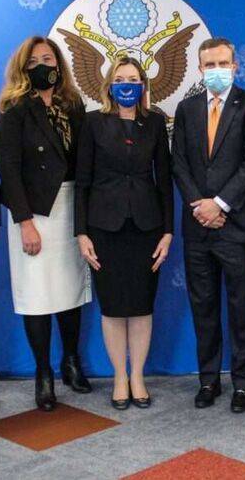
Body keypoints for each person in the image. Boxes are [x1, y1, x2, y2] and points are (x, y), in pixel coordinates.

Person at [0, 35, 93, 412]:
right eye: (34, 61)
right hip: (33, 211)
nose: (42, 66)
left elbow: (84, 161)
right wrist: (24, 221)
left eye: (48, 59)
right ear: (23, 68)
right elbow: (8, 168)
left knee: (70, 291)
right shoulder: (14, 108)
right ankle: (43, 372)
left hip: (70, 206)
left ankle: (71, 361)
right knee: (37, 296)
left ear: (59, 64)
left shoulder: (73, 105)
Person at [171, 37, 245, 413]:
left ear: (235, 66)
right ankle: (208, 380)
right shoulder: (186, 108)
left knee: (241, 308)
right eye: (209, 65)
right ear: (200, 69)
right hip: (198, 225)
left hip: (234, 224)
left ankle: (243, 384)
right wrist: (201, 206)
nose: (216, 70)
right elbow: (179, 162)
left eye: (223, 64)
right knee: (203, 307)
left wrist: (220, 204)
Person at [75, 57, 174, 410]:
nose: (126, 84)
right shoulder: (92, 123)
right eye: (120, 79)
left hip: (147, 228)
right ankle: (120, 377)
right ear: (109, 85)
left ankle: (138, 377)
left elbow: (165, 180)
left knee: (142, 306)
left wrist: (168, 231)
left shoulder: (155, 123)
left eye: (132, 79)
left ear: (143, 85)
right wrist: (81, 232)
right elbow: (82, 182)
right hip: (104, 228)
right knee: (114, 308)